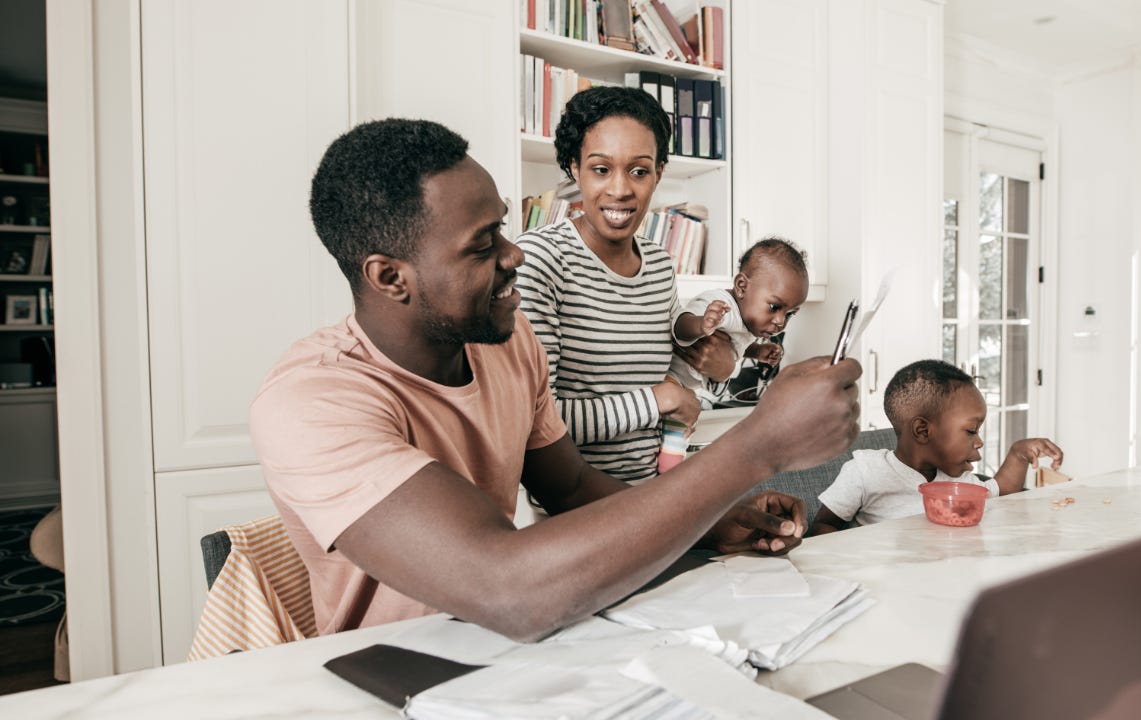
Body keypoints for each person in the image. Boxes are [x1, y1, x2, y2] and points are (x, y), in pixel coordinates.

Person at [249, 117, 863, 641]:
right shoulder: (311, 402)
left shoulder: (510, 345)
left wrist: (712, 521)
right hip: (396, 671)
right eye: (482, 245)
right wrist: (759, 445)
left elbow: (570, 487)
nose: (514, 253)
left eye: (502, 227)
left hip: (515, 654)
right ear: (390, 278)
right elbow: (505, 589)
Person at [515, 86, 737, 483]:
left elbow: (683, 380)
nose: (620, 189)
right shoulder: (540, 259)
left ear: (658, 173)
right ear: (574, 168)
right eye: (601, 169)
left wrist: (722, 371)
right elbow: (535, 421)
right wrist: (658, 400)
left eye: (639, 171)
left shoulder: (659, 265)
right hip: (575, 505)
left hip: (656, 493)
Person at [811, 359, 1061, 534]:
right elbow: (824, 525)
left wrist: (1018, 454)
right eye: (971, 431)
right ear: (923, 431)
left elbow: (1002, 491)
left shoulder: (960, 481)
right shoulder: (865, 471)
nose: (979, 442)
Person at [667, 237, 808, 391]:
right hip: (668, 378)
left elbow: (736, 346)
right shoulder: (721, 306)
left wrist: (757, 351)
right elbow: (678, 326)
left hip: (684, 388)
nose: (781, 321)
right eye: (774, 307)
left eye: (789, 314)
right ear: (742, 286)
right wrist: (700, 324)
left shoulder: (746, 324)